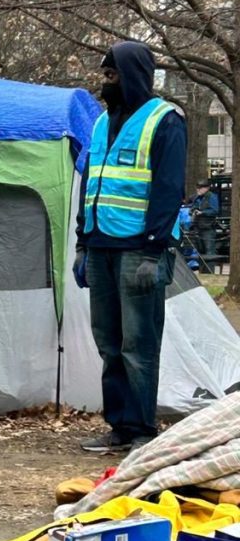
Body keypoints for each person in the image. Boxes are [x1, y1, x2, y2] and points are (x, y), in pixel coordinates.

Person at [73, 41, 186, 453]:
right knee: (109, 341)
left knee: (139, 344)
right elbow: (90, 182)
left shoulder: (165, 120)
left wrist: (155, 249)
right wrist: (83, 242)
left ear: (133, 75)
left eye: (111, 75)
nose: (105, 84)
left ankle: (141, 429)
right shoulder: (103, 122)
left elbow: (170, 189)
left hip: (140, 249)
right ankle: (118, 427)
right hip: (101, 246)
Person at [189, 180, 219, 259]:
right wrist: (193, 210)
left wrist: (202, 212)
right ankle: (202, 270)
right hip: (197, 228)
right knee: (200, 252)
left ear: (207, 188)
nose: (198, 190)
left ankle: (210, 271)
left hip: (208, 228)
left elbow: (215, 210)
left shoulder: (212, 197)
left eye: (201, 188)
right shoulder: (196, 197)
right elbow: (192, 207)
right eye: (197, 188)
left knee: (209, 252)